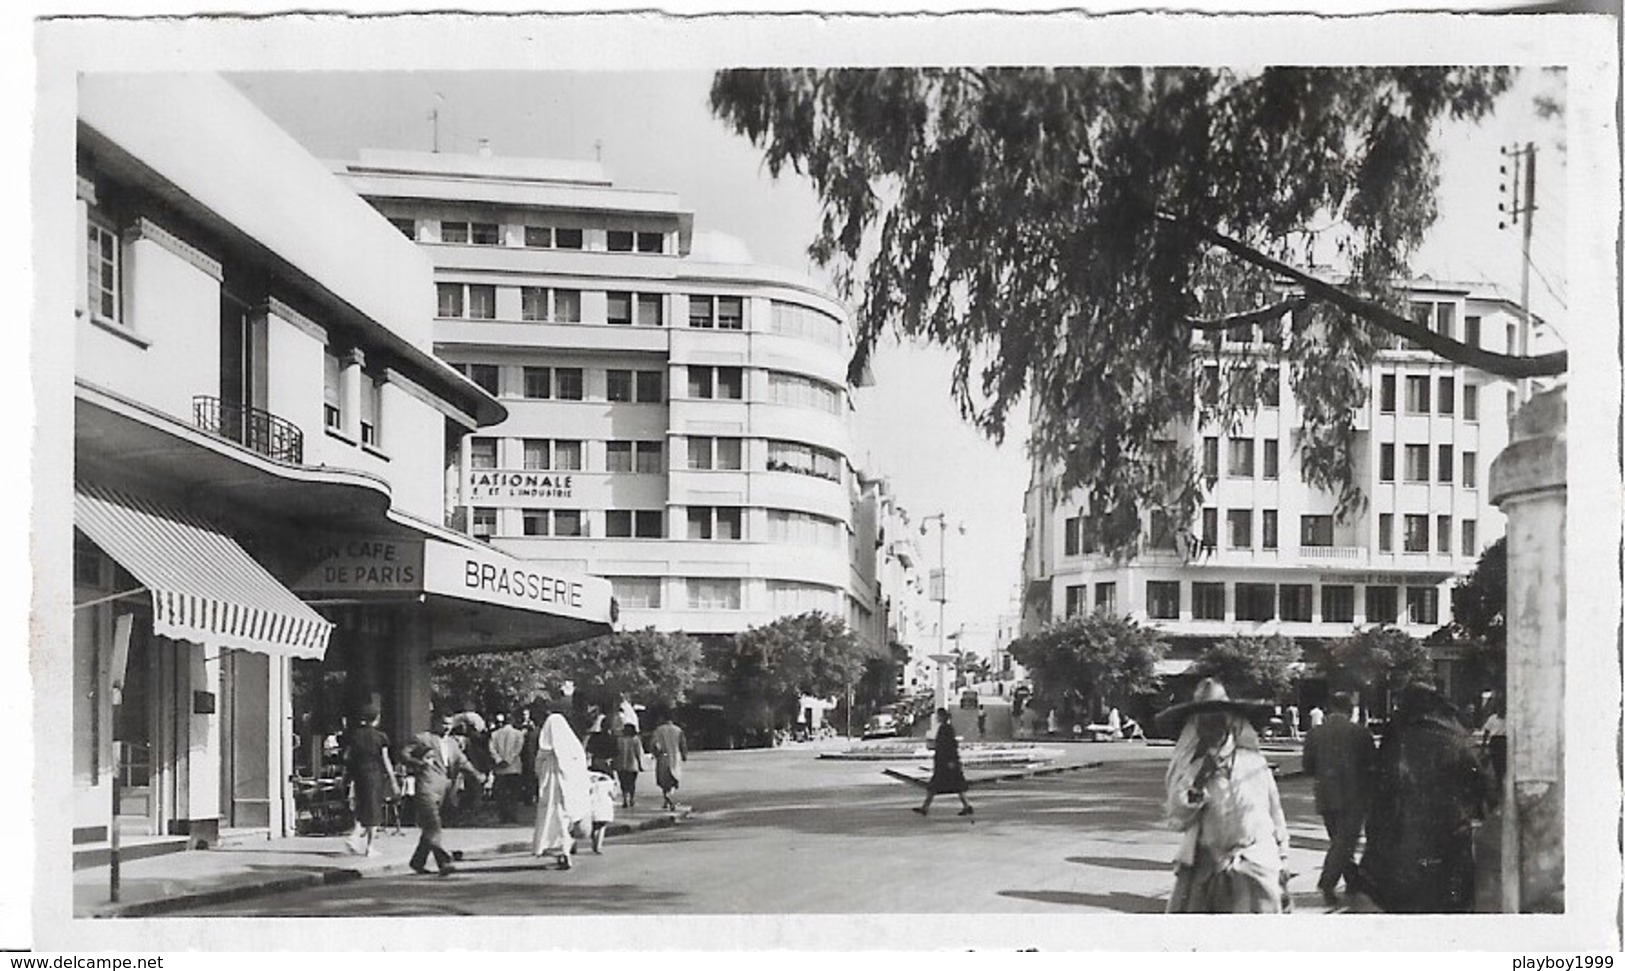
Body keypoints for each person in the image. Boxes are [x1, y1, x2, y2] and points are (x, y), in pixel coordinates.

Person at [1157, 678, 1291, 913]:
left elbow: (1274, 813)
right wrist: (1200, 780)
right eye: (1205, 722)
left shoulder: (1254, 764)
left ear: (1230, 723)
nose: (1213, 728)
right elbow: (1177, 817)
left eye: (1218, 720)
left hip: (1256, 865)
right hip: (1207, 870)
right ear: (1197, 726)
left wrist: (1283, 861)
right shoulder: (1192, 768)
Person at [1359, 683, 1493, 913]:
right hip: (1449, 842)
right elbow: (1480, 788)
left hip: (1402, 847)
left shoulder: (1396, 740)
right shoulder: (1456, 739)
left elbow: (1380, 796)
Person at [1301, 692, 1375, 906]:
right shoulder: (1360, 733)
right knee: (1345, 842)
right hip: (1354, 795)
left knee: (1339, 842)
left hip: (1325, 795)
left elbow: (1308, 766)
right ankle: (1327, 883)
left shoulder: (1314, 734)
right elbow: (1371, 765)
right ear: (1350, 709)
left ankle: (1353, 882)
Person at [398, 713, 484, 876]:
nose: (447, 727)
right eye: (444, 723)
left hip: (444, 790)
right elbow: (403, 754)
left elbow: (463, 762)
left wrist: (477, 775)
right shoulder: (423, 738)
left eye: (450, 724)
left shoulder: (452, 743)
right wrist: (419, 764)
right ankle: (444, 862)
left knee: (431, 828)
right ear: (435, 723)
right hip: (426, 787)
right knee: (433, 825)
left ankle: (417, 861)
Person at [533, 710, 590, 870]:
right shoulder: (574, 748)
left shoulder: (545, 752)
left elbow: (537, 768)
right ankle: (565, 849)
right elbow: (581, 771)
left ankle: (562, 851)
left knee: (553, 819)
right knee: (564, 820)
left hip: (551, 791)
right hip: (569, 792)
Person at [342, 703, 394, 857]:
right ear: (377, 719)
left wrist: (346, 777)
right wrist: (392, 779)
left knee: (361, 807)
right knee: (374, 810)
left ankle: (355, 836)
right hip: (374, 774)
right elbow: (386, 760)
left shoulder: (354, 735)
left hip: (359, 774)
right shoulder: (381, 737)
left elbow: (347, 757)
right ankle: (369, 846)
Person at [912, 707, 973, 817]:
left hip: (946, 763)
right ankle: (925, 808)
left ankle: (925, 808)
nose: (937, 718)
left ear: (942, 717)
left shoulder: (946, 728)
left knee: (940, 786)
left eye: (938, 716)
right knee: (949, 785)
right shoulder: (944, 728)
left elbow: (951, 746)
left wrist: (951, 761)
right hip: (943, 762)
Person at [488, 708, 527, 824]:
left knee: (501, 795)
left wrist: (499, 760)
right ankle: (512, 815)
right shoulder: (518, 734)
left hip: (500, 769)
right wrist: (509, 760)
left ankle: (503, 816)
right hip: (514, 768)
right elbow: (517, 750)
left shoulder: (494, 734)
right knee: (513, 795)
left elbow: (491, 749)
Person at [649, 715, 689, 811]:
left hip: (663, 757)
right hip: (675, 757)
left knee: (664, 780)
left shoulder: (658, 731)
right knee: (673, 779)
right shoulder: (678, 730)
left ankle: (666, 799)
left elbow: (653, 744)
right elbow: (683, 744)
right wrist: (684, 755)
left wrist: (655, 754)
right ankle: (669, 798)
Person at [614, 722, 646, 809]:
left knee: (623, 783)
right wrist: (640, 764)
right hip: (632, 765)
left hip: (621, 764)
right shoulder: (635, 739)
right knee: (631, 783)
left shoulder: (619, 740)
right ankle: (631, 799)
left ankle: (625, 799)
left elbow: (616, 752)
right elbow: (638, 753)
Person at [1479, 696, 1508, 789]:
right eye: (1500, 708)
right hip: (1495, 741)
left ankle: (1501, 780)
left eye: (1503, 708)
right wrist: (1483, 747)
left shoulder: (1509, 718)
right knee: (1495, 762)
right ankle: (1498, 780)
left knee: (1503, 762)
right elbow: (1486, 732)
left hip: (1504, 741)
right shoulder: (1492, 718)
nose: (1501, 710)